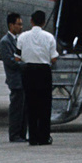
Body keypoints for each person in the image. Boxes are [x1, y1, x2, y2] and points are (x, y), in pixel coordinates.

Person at [15, 9, 58, 145]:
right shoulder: (49, 37)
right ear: (44, 22)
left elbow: (17, 57)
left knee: (31, 104)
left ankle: (33, 137)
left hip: (28, 72)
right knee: (45, 105)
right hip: (44, 72)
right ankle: (44, 137)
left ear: (31, 21)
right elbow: (54, 58)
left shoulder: (22, 37)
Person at [0, 12, 27, 143]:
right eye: (19, 24)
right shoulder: (5, 42)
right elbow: (11, 61)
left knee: (23, 109)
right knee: (16, 109)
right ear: (11, 25)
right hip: (15, 80)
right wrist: (25, 64)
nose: (21, 27)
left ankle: (22, 134)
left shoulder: (18, 39)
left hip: (22, 80)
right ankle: (14, 134)